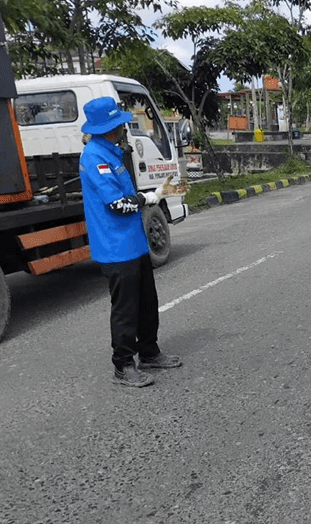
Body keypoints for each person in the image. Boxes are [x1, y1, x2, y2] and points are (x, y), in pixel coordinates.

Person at [78, 96, 184, 388]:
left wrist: (156, 192)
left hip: (134, 243)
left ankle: (149, 352)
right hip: (114, 247)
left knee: (147, 302)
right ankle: (123, 365)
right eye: (120, 125)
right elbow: (117, 205)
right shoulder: (94, 157)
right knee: (126, 309)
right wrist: (148, 198)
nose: (125, 128)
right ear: (109, 129)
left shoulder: (112, 153)